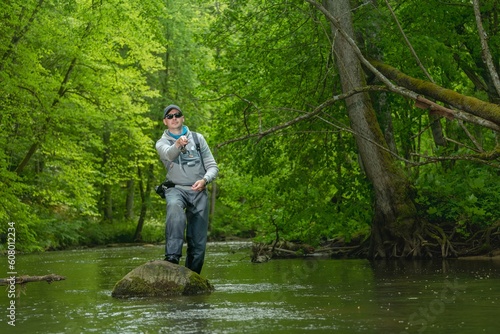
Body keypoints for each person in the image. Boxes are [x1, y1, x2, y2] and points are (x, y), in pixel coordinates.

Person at [155, 104, 218, 274]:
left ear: (183, 118)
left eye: (177, 115)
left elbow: (213, 167)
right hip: (175, 189)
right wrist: (177, 144)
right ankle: (172, 257)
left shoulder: (198, 139)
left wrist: (205, 180)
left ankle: (192, 278)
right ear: (165, 122)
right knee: (174, 207)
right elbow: (169, 154)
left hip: (199, 191)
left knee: (198, 242)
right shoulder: (161, 143)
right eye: (170, 116)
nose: (174, 118)